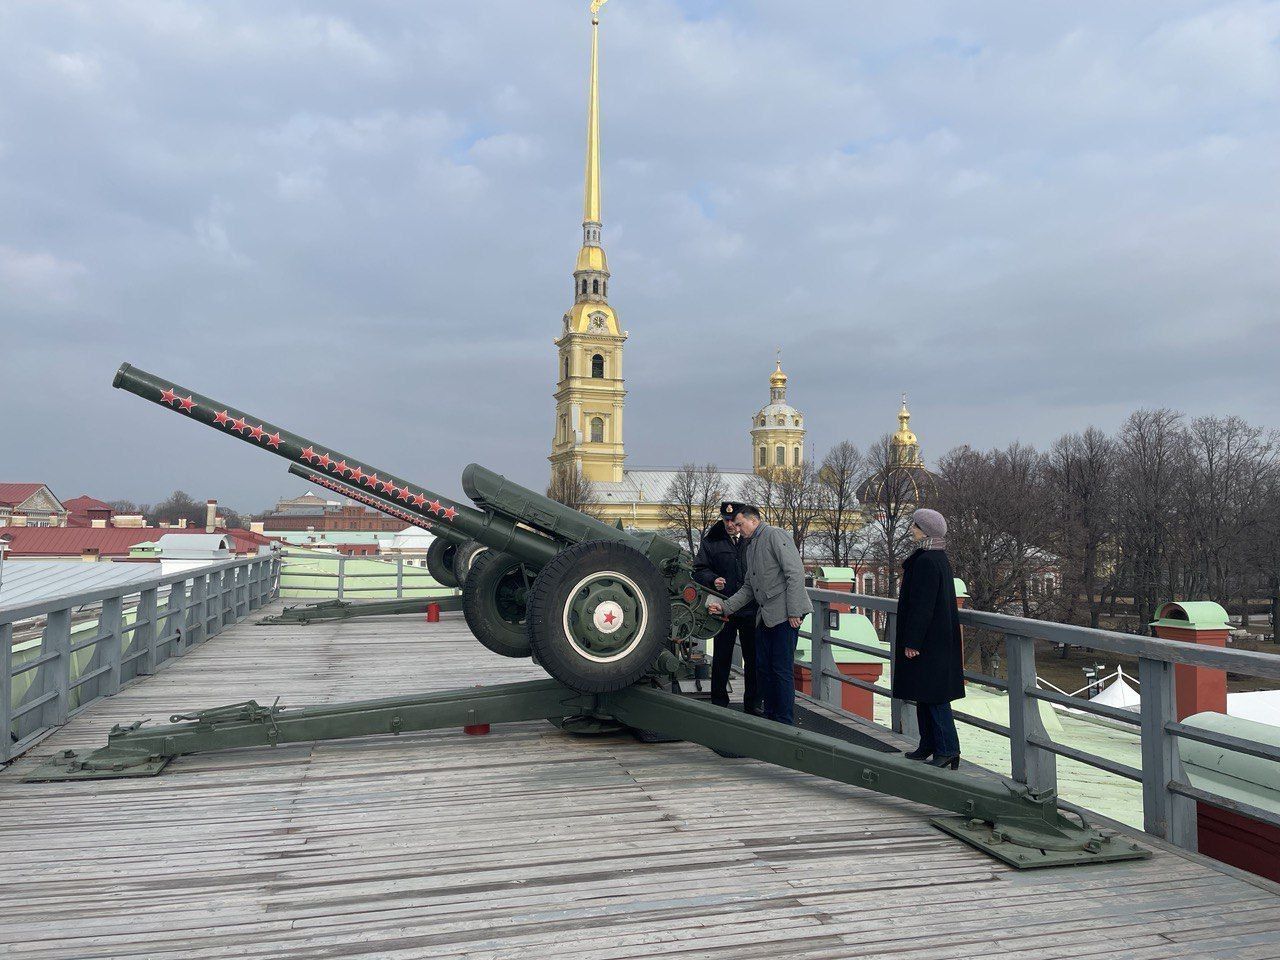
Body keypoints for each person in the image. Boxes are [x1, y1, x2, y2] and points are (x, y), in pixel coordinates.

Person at [707, 506, 809, 725]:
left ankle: (784, 721)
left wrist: (794, 611)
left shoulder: (774, 535)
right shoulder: (751, 545)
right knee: (764, 669)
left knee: (781, 671)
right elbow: (748, 588)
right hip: (765, 617)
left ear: (753, 521)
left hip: (784, 616)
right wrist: (725, 607)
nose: (737, 528)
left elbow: (795, 573)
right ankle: (771, 718)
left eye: (740, 524)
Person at [893, 508, 966, 769]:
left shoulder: (926, 561)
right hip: (936, 641)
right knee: (925, 694)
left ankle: (947, 749)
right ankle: (929, 744)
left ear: (925, 530)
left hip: (928, 643)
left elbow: (923, 606)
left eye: (915, 525)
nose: (911, 529)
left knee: (934, 697)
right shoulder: (936, 558)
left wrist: (913, 642)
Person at [693, 502, 760, 714]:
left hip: (750, 609)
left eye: (733, 521)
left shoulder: (752, 539)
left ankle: (753, 704)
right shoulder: (711, 541)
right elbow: (699, 570)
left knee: (753, 659)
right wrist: (713, 580)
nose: (730, 524)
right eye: (726, 520)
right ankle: (719, 704)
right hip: (724, 609)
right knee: (721, 658)